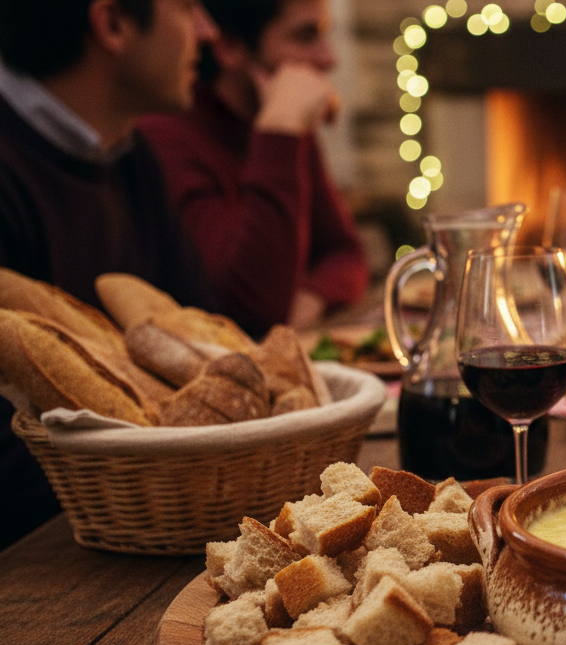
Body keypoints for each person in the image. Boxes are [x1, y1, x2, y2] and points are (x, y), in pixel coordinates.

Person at [0, 0, 219, 548]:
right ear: (114, 23)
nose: (207, 31)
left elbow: (203, 336)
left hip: (155, 520)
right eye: (188, 7)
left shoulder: (130, 156)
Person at [139, 0, 369, 337]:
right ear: (230, 47)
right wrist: (280, 129)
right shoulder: (168, 137)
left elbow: (345, 253)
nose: (329, 59)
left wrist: (312, 297)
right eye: (306, 37)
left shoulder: (285, 122)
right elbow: (251, 309)